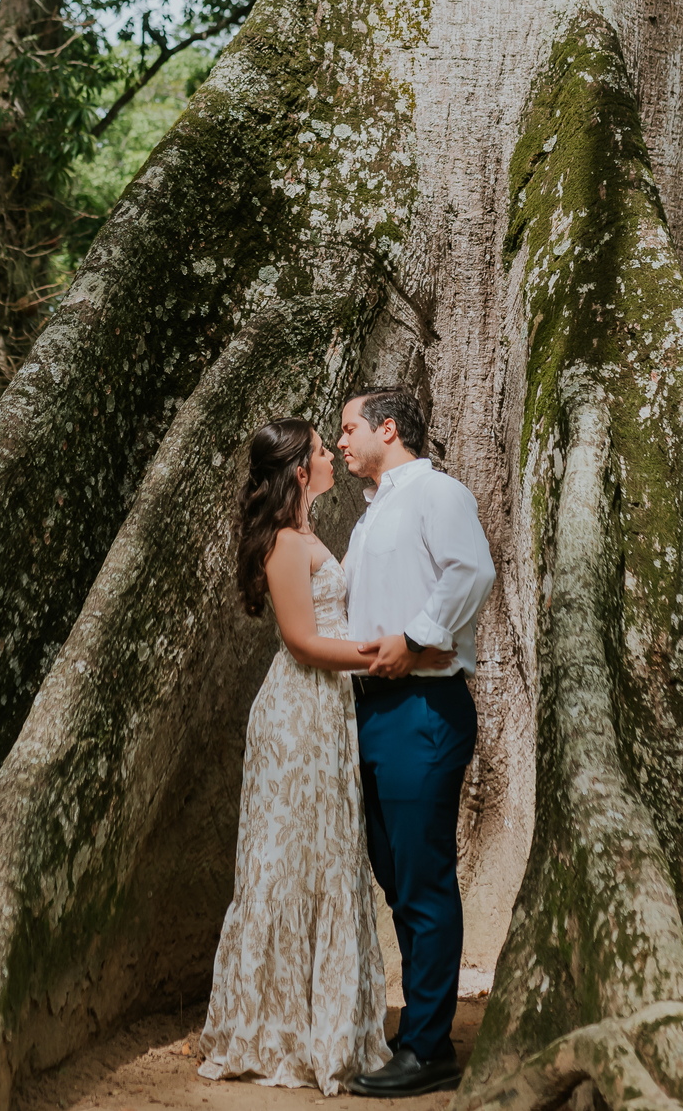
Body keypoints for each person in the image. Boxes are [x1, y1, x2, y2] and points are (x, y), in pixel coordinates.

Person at [199, 419, 455, 1094]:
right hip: (299, 711)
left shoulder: (309, 534)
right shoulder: (284, 542)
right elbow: (304, 643)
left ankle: (327, 1018)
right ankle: (276, 1025)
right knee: (288, 859)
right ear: (295, 469)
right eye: (317, 449)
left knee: (326, 856)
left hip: (329, 711)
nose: (328, 454)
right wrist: (399, 652)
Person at [339, 386, 496, 1100]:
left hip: (424, 707)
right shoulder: (372, 513)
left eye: (349, 428)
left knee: (423, 875)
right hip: (374, 710)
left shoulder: (438, 492)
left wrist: (417, 638)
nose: (342, 442)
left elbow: (473, 571)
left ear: (389, 427)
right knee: (392, 870)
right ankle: (420, 1025)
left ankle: (430, 1046)